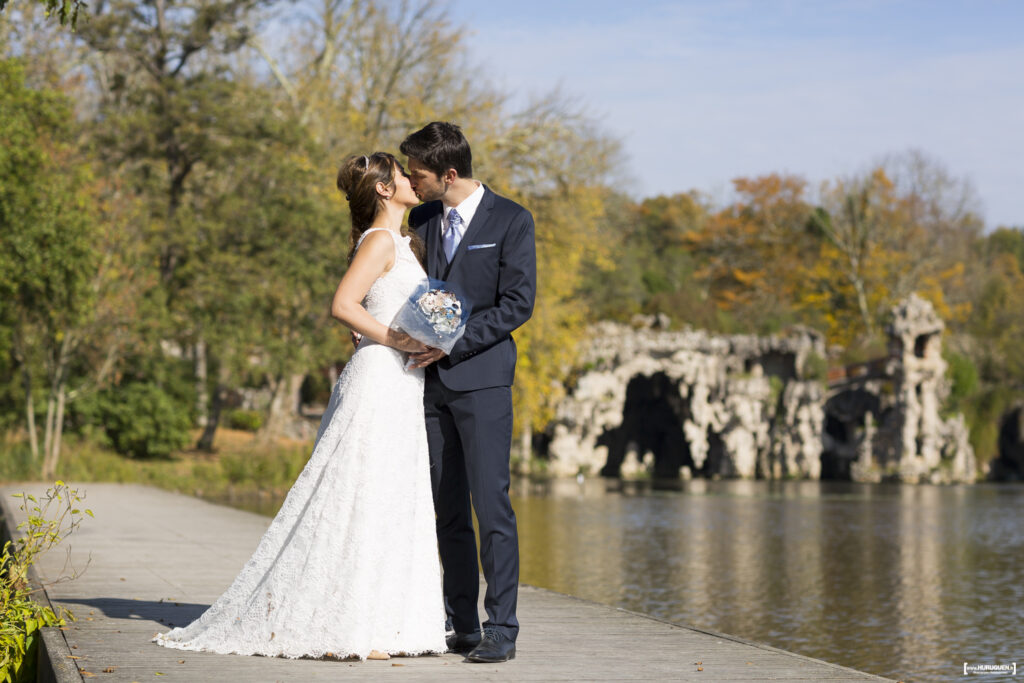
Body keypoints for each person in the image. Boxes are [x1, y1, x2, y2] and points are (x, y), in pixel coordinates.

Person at [154, 152, 446, 661]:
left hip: (403, 385)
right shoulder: (379, 241)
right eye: (401, 174)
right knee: (360, 493)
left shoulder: (403, 242)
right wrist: (396, 338)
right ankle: (348, 622)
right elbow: (343, 304)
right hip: (378, 379)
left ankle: (382, 624)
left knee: (390, 496)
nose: (410, 180)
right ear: (383, 189)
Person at [402, 122, 537, 664]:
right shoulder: (422, 219)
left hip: (481, 381)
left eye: (418, 174)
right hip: (426, 386)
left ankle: (501, 627)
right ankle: (460, 624)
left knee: (491, 505)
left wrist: (451, 345)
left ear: (449, 175)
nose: (412, 181)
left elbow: (517, 304)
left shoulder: (511, 220)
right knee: (446, 508)